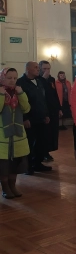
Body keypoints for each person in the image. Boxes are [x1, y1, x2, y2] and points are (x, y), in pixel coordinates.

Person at [16, 61, 52, 174]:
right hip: (30, 119)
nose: (38, 69)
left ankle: (38, 163)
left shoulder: (39, 81)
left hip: (41, 117)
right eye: (36, 67)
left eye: (38, 67)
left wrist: (46, 114)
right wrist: (25, 118)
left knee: (42, 142)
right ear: (28, 69)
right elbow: (19, 103)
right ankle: (28, 166)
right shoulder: (20, 82)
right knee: (30, 143)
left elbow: (43, 99)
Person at [0, 68, 30, 198]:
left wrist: (21, 94)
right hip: (3, 137)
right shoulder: (0, 92)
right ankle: (5, 187)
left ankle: (13, 185)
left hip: (17, 135)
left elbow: (26, 108)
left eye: (15, 78)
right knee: (4, 165)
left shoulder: (18, 92)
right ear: (2, 78)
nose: (12, 80)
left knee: (16, 163)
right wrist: (1, 95)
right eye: (9, 78)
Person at [39, 60, 62, 161]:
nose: (47, 70)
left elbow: (55, 94)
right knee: (45, 132)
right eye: (44, 68)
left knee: (52, 132)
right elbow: (40, 93)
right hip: (44, 110)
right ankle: (42, 152)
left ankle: (48, 151)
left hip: (53, 110)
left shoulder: (51, 79)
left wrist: (59, 108)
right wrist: (43, 79)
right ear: (40, 69)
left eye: (48, 68)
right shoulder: (38, 80)